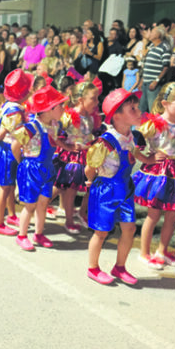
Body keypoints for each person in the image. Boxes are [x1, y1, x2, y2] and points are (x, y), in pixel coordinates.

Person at [85, 89, 150, 284]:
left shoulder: (131, 136)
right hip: (106, 189)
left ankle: (120, 266)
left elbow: (134, 153)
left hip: (125, 188)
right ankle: (93, 267)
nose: (139, 112)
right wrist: (90, 181)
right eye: (133, 109)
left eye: (137, 108)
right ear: (117, 115)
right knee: (102, 231)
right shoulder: (105, 142)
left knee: (129, 229)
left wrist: (149, 159)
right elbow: (90, 167)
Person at [134, 82, 175, 269]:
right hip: (160, 173)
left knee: (172, 216)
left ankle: (162, 250)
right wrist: (147, 159)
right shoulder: (155, 125)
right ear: (165, 103)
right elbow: (133, 144)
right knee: (153, 215)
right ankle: (144, 252)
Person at [13, 86, 67, 251]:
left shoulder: (54, 126)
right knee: (30, 205)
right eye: (60, 106)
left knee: (43, 203)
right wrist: (22, 163)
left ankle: (38, 233)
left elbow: (54, 142)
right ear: (49, 109)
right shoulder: (31, 127)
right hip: (32, 168)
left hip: (47, 168)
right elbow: (15, 146)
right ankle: (22, 235)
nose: (63, 109)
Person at [0, 69, 34, 236]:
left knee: (10, 184)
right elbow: (4, 131)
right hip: (8, 150)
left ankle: (11, 215)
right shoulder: (15, 111)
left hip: (5, 148)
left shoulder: (8, 105)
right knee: (5, 188)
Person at [55, 81, 100, 234]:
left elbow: (90, 135)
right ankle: (68, 220)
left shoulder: (91, 116)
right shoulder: (68, 116)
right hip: (71, 158)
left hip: (85, 157)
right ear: (81, 99)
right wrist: (68, 147)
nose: (96, 102)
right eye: (93, 98)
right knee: (67, 189)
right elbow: (56, 136)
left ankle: (81, 213)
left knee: (83, 187)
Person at [140, 26, 171, 113]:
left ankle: (155, 126)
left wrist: (156, 81)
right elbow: (146, 64)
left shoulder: (164, 47)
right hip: (145, 82)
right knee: (141, 109)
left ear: (158, 34)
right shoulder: (151, 46)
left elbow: (166, 67)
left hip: (154, 83)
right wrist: (142, 81)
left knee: (153, 109)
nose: (150, 34)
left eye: (152, 32)